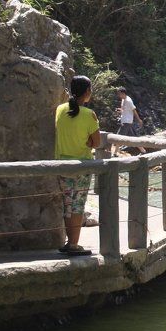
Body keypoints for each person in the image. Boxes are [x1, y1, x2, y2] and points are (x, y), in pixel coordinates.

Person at [54, 75, 101, 256]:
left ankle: (69, 242)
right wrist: (87, 140)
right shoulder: (89, 115)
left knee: (67, 204)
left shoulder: (60, 109)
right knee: (77, 205)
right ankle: (74, 244)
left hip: (62, 165)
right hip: (82, 166)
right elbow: (96, 143)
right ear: (87, 91)